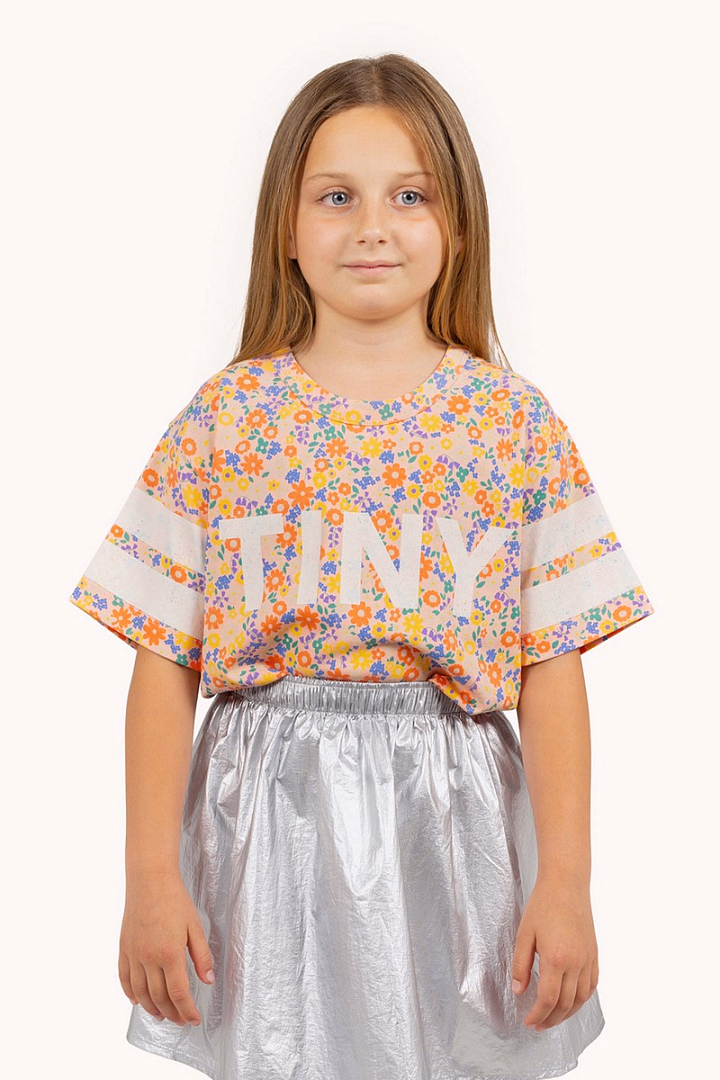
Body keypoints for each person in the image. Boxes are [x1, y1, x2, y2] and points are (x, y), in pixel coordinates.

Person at [69, 53, 655, 1080]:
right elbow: (162, 658)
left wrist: (566, 882)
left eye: (410, 196)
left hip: (454, 825)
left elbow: (553, 664)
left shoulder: (511, 425)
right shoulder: (227, 420)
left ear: (458, 224)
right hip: (267, 827)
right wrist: (149, 877)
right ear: (286, 230)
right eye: (336, 196)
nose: (373, 227)